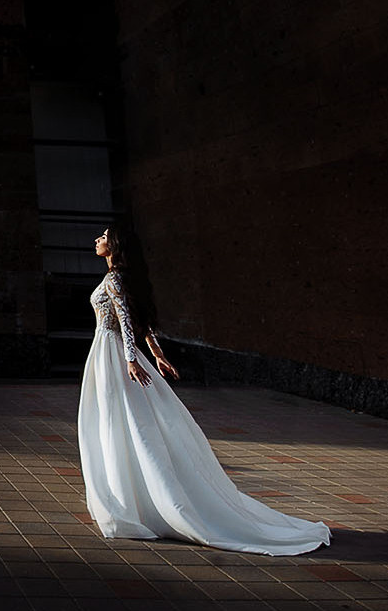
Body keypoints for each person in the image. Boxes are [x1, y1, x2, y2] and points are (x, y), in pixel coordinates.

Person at [79, 226, 331, 554]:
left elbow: (128, 320)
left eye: (103, 236)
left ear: (114, 246)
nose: (97, 239)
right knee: (124, 424)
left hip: (112, 355)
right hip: (111, 354)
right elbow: (142, 321)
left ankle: (130, 502)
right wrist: (154, 353)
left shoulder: (115, 279)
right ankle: (131, 496)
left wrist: (133, 359)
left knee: (119, 423)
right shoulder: (122, 278)